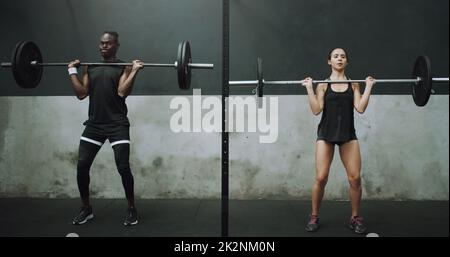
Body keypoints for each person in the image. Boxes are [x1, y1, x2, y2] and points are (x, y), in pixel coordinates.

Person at [68, 31, 143, 226]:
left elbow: (122, 92)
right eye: (101, 43)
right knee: (82, 166)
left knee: (123, 167)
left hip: (117, 124)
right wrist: (71, 72)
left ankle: (131, 208)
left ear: (116, 45)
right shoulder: (90, 66)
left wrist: (134, 70)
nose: (103, 46)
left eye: (108, 44)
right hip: (94, 124)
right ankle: (86, 208)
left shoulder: (123, 66)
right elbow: (81, 94)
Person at [302, 48, 375, 234]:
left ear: (346, 62)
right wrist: (310, 88)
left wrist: (368, 87)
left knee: (355, 178)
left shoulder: (354, 84)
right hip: (326, 134)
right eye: (336, 56)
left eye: (343, 56)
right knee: (321, 177)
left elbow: (360, 108)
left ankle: (355, 217)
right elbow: (316, 110)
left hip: (347, 135)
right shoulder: (323, 85)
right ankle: (314, 216)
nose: (339, 58)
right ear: (329, 61)